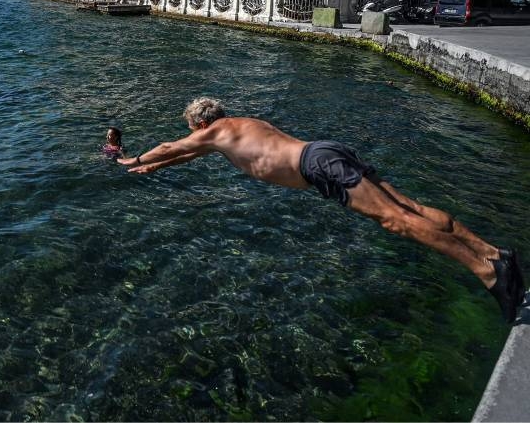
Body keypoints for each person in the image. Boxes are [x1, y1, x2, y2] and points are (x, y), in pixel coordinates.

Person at [118, 97, 526, 324]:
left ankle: (489, 274)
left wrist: (134, 159)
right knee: (409, 207)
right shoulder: (239, 127)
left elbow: (175, 147)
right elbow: (185, 156)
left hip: (315, 167)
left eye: (193, 130)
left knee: (396, 221)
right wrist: (156, 167)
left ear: (199, 124)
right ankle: (495, 252)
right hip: (324, 151)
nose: (194, 137)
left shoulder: (214, 132)